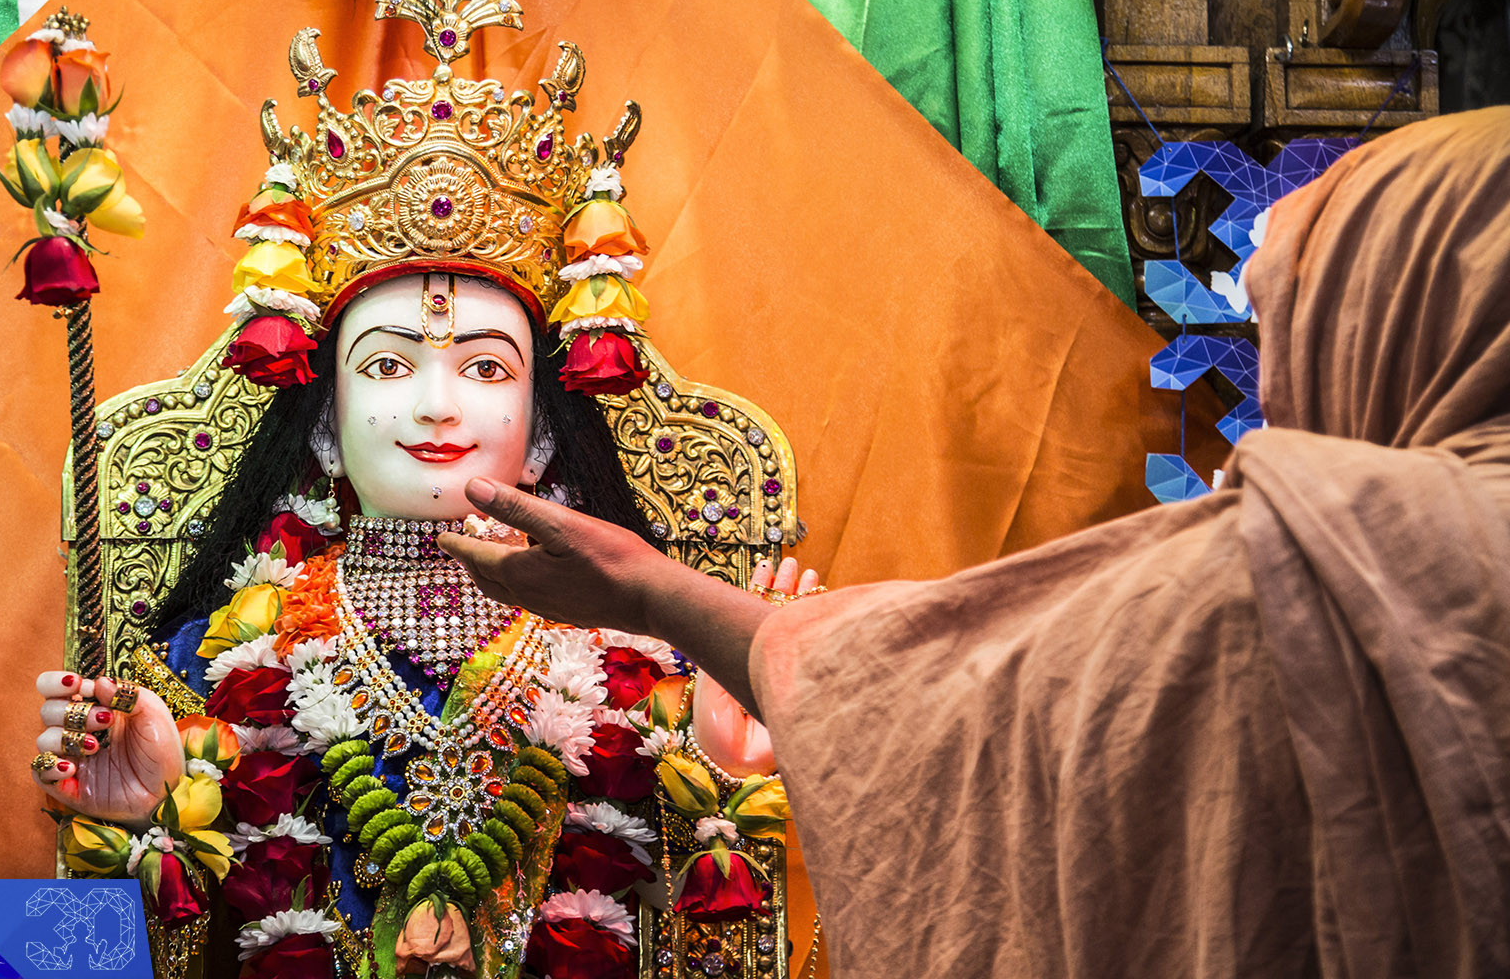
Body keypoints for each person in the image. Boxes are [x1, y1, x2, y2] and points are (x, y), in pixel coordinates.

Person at [437, 107, 1510, 978]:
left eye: (1294, 324)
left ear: (1403, 319)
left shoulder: (1328, 551)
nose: (1271, 383)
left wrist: (656, 599)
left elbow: (933, 707)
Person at [25, 0, 809, 979]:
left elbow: (719, 953)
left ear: (542, 428)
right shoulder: (210, 669)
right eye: (389, 367)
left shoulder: (649, 670)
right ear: (324, 423)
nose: (438, 405)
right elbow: (109, 960)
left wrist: (728, 779)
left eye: (485, 369)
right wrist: (138, 822)